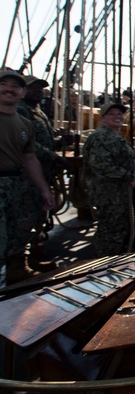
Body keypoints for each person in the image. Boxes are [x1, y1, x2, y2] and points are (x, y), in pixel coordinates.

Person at [0, 70, 55, 283]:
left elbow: (30, 158)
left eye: (15, 87)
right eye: (4, 84)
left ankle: (14, 273)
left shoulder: (26, 123)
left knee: (15, 232)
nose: (9, 90)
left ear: (21, 93)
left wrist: (44, 189)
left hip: (15, 184)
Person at [17, 75, 63, 272]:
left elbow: (43, 139)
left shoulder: (37, 111)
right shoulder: (20, 111)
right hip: (26, 177)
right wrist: (52, 155)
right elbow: (28, 145)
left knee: (38, 216)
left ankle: (33, 257)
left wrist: (59, 141)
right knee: (25, 219)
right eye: (33, 88)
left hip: (43, 173)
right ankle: (18, 265)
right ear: (23, 91)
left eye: (40, 88)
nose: (39, 91)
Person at [82, 102, 135, 256]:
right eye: (111, 114)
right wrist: (128, 177)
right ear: (102, 118)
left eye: (119, 114)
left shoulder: (112, 136)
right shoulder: (100, 137)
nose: (117, 117)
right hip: (108, 194)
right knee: (110, 231)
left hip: (117, 194)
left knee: (116, 229)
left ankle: (110, 261)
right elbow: (100, 165)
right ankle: (104, 263)